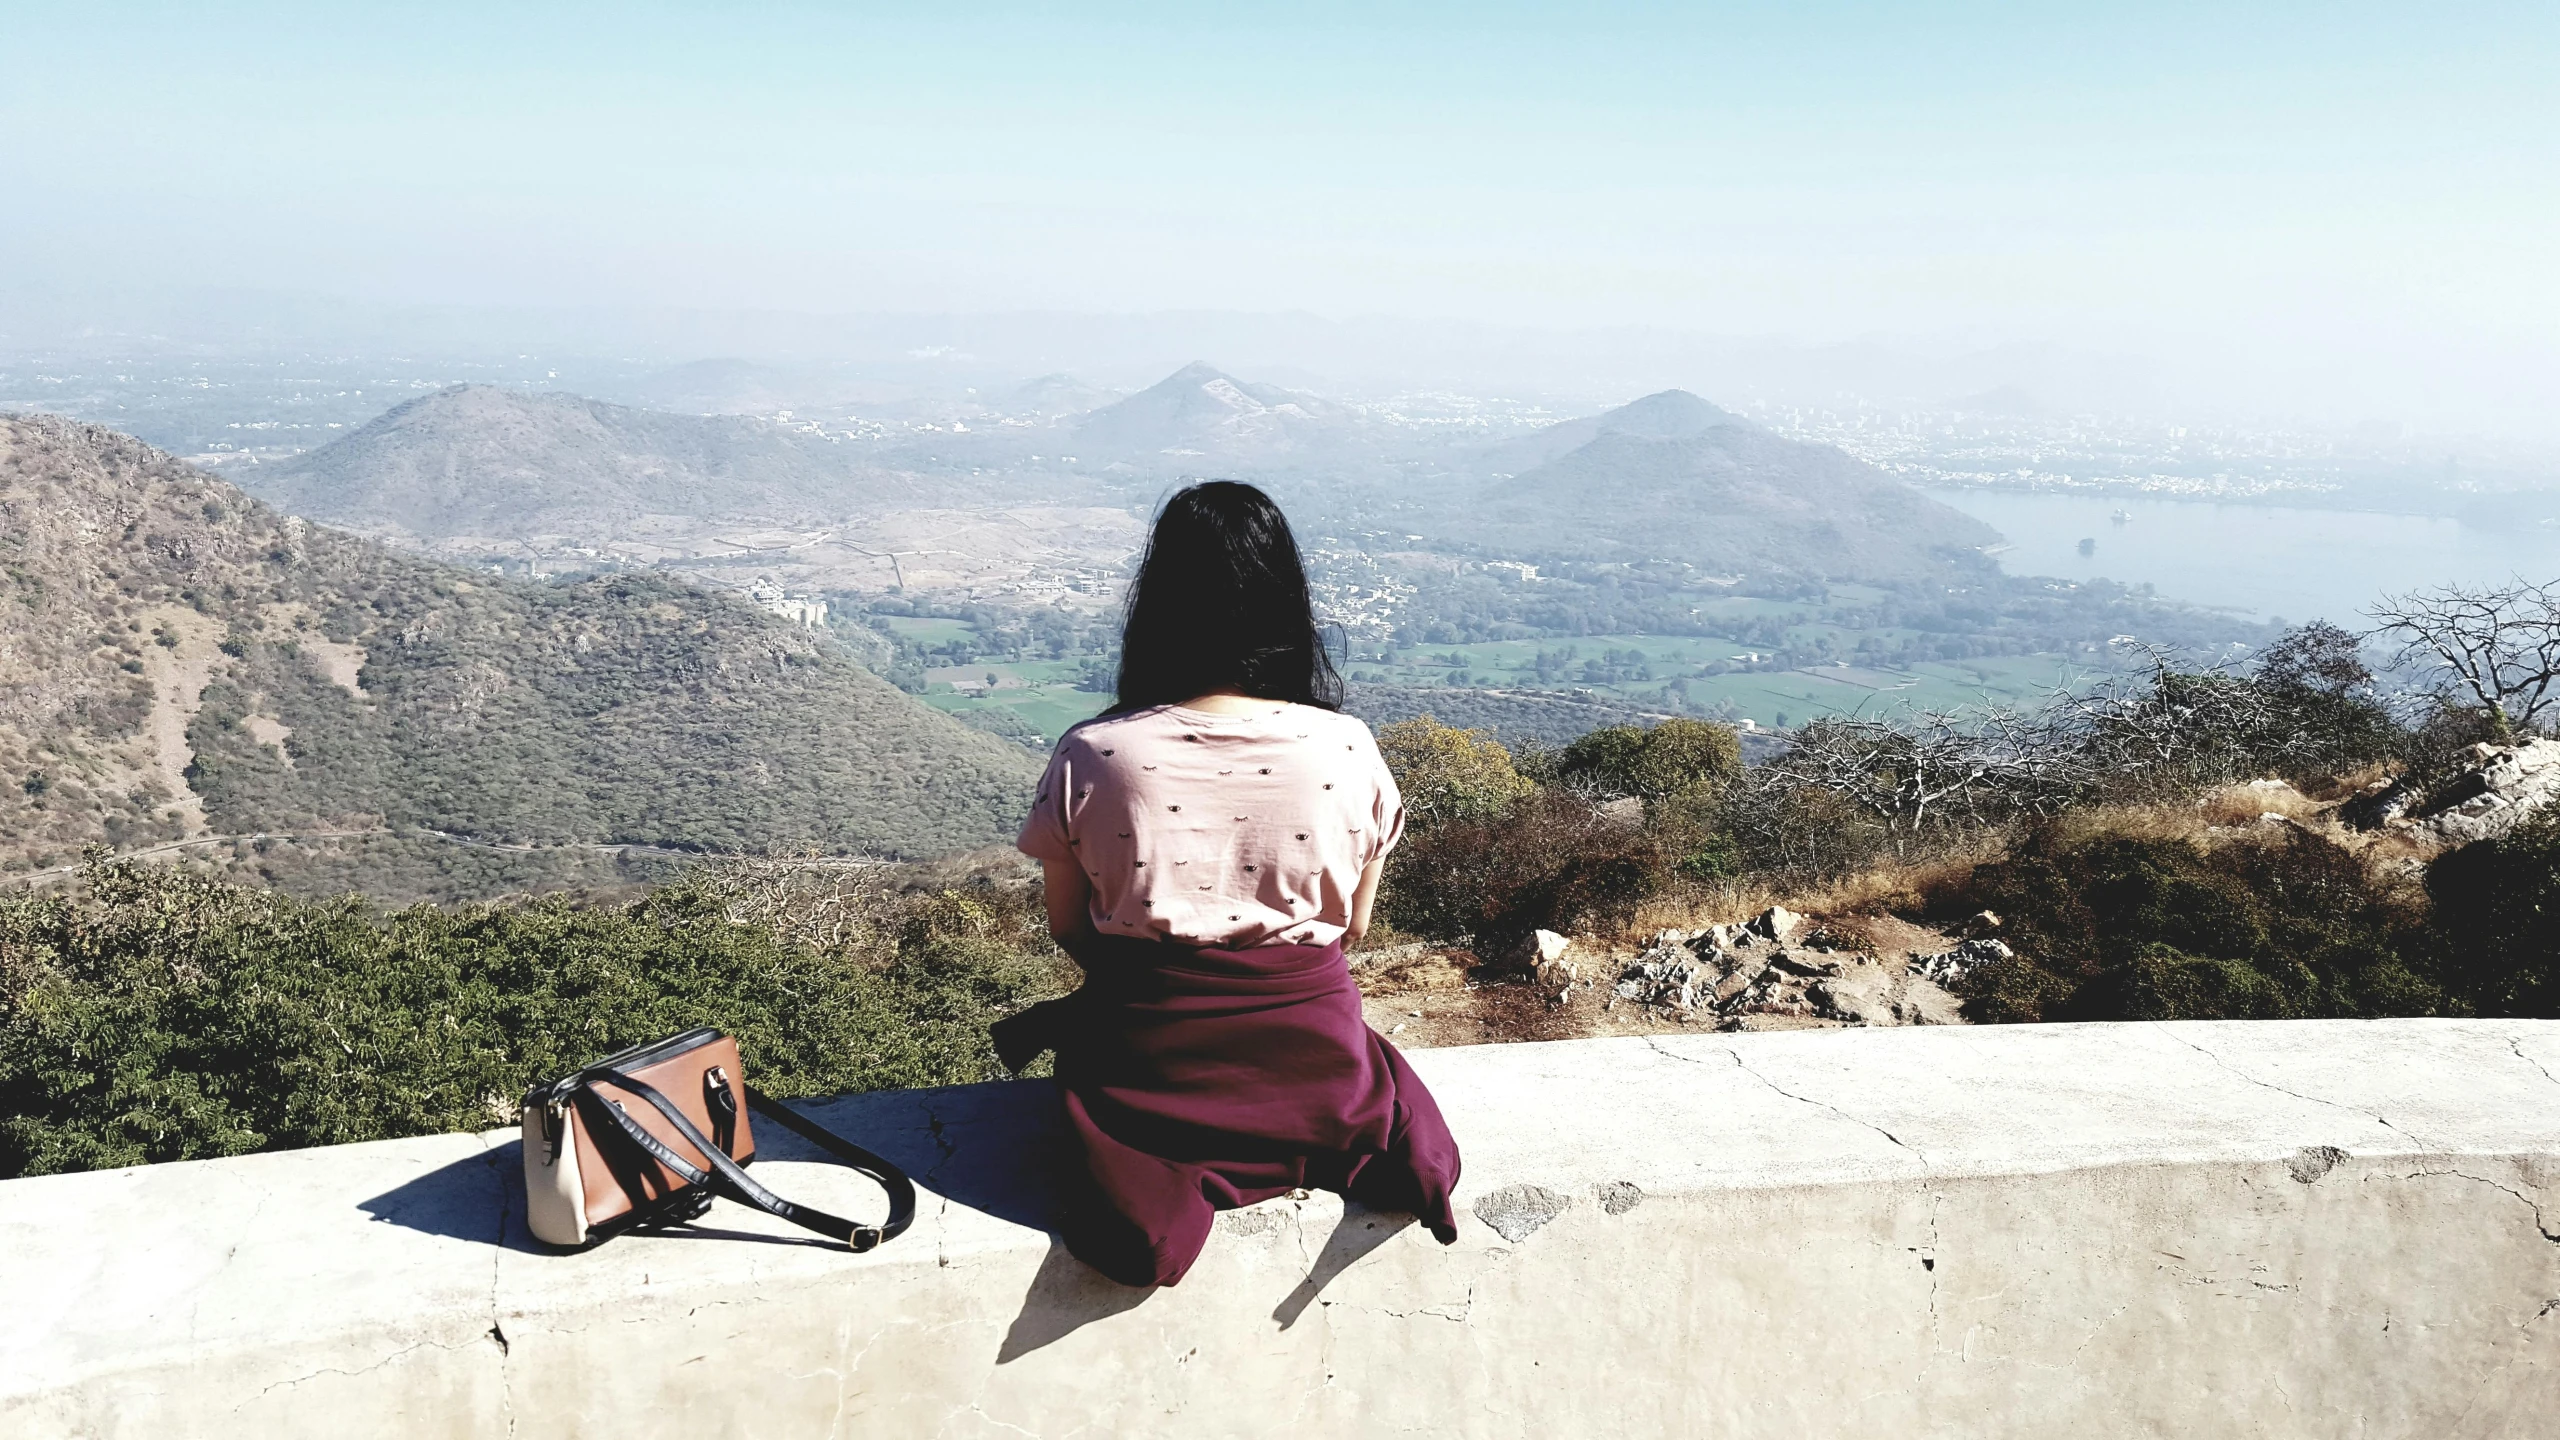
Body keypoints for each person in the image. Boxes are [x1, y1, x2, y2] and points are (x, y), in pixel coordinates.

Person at [996, 480, 1462, 1288]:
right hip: (1319, 1072)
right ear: (1287, 602)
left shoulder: (1095, 754)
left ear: (1157, 603)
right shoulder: (1349, 749)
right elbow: (1353, 928)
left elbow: (1070, 930)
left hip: (1148, 1070)